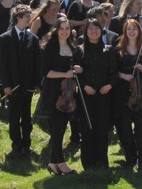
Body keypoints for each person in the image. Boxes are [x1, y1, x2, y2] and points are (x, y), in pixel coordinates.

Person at [40, 17, 82, 175]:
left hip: (68, 93)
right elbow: (46, 72)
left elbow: (76, 68)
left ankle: (52, 163)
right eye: (61, 28)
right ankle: (61, 162)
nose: (64, 31)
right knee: (57, 129)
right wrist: (64, 74)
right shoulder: (50, 47)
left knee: (61, 127)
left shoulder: (73, 47)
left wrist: (78, 69)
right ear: (56, 30)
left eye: (67, 28)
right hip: (53, 92)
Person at [0, 4, 41, 159]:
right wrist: (6, 85)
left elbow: (37, 63)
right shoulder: (5, 38)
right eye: (27, 16)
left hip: (28, 86)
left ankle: (26, 145)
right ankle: (16, 145)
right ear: (18, 18)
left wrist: (37, 84)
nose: (30, 19)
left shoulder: (33, 39)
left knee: (27, 118)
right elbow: (3, 64)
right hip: (13, 86)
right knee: (14, 117)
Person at [112, 19, 142, 170]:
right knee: (124, 127)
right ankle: (131, 157)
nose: (131, 32)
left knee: (140, 126)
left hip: (140, 93)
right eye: (129, 29)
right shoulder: (118, 50)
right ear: (125, 31)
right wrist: (124, 76)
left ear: (139, 31)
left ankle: (140, 159)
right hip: (123, 92)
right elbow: (113, 71)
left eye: (134, 29)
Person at [78, 18, 117, 169]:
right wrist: (84, 86)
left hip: (103, 94)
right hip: (86, 94)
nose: (94, 31)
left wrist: (109, 86)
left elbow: (114, 73)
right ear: (86, 32)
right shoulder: (79, 50)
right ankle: (88, 162)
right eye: (90, 29)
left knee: (102, 128)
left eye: (96, 29)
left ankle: (101, 161)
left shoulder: (109, 49)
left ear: (101, 31)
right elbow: (76, 74)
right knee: (87, 129)